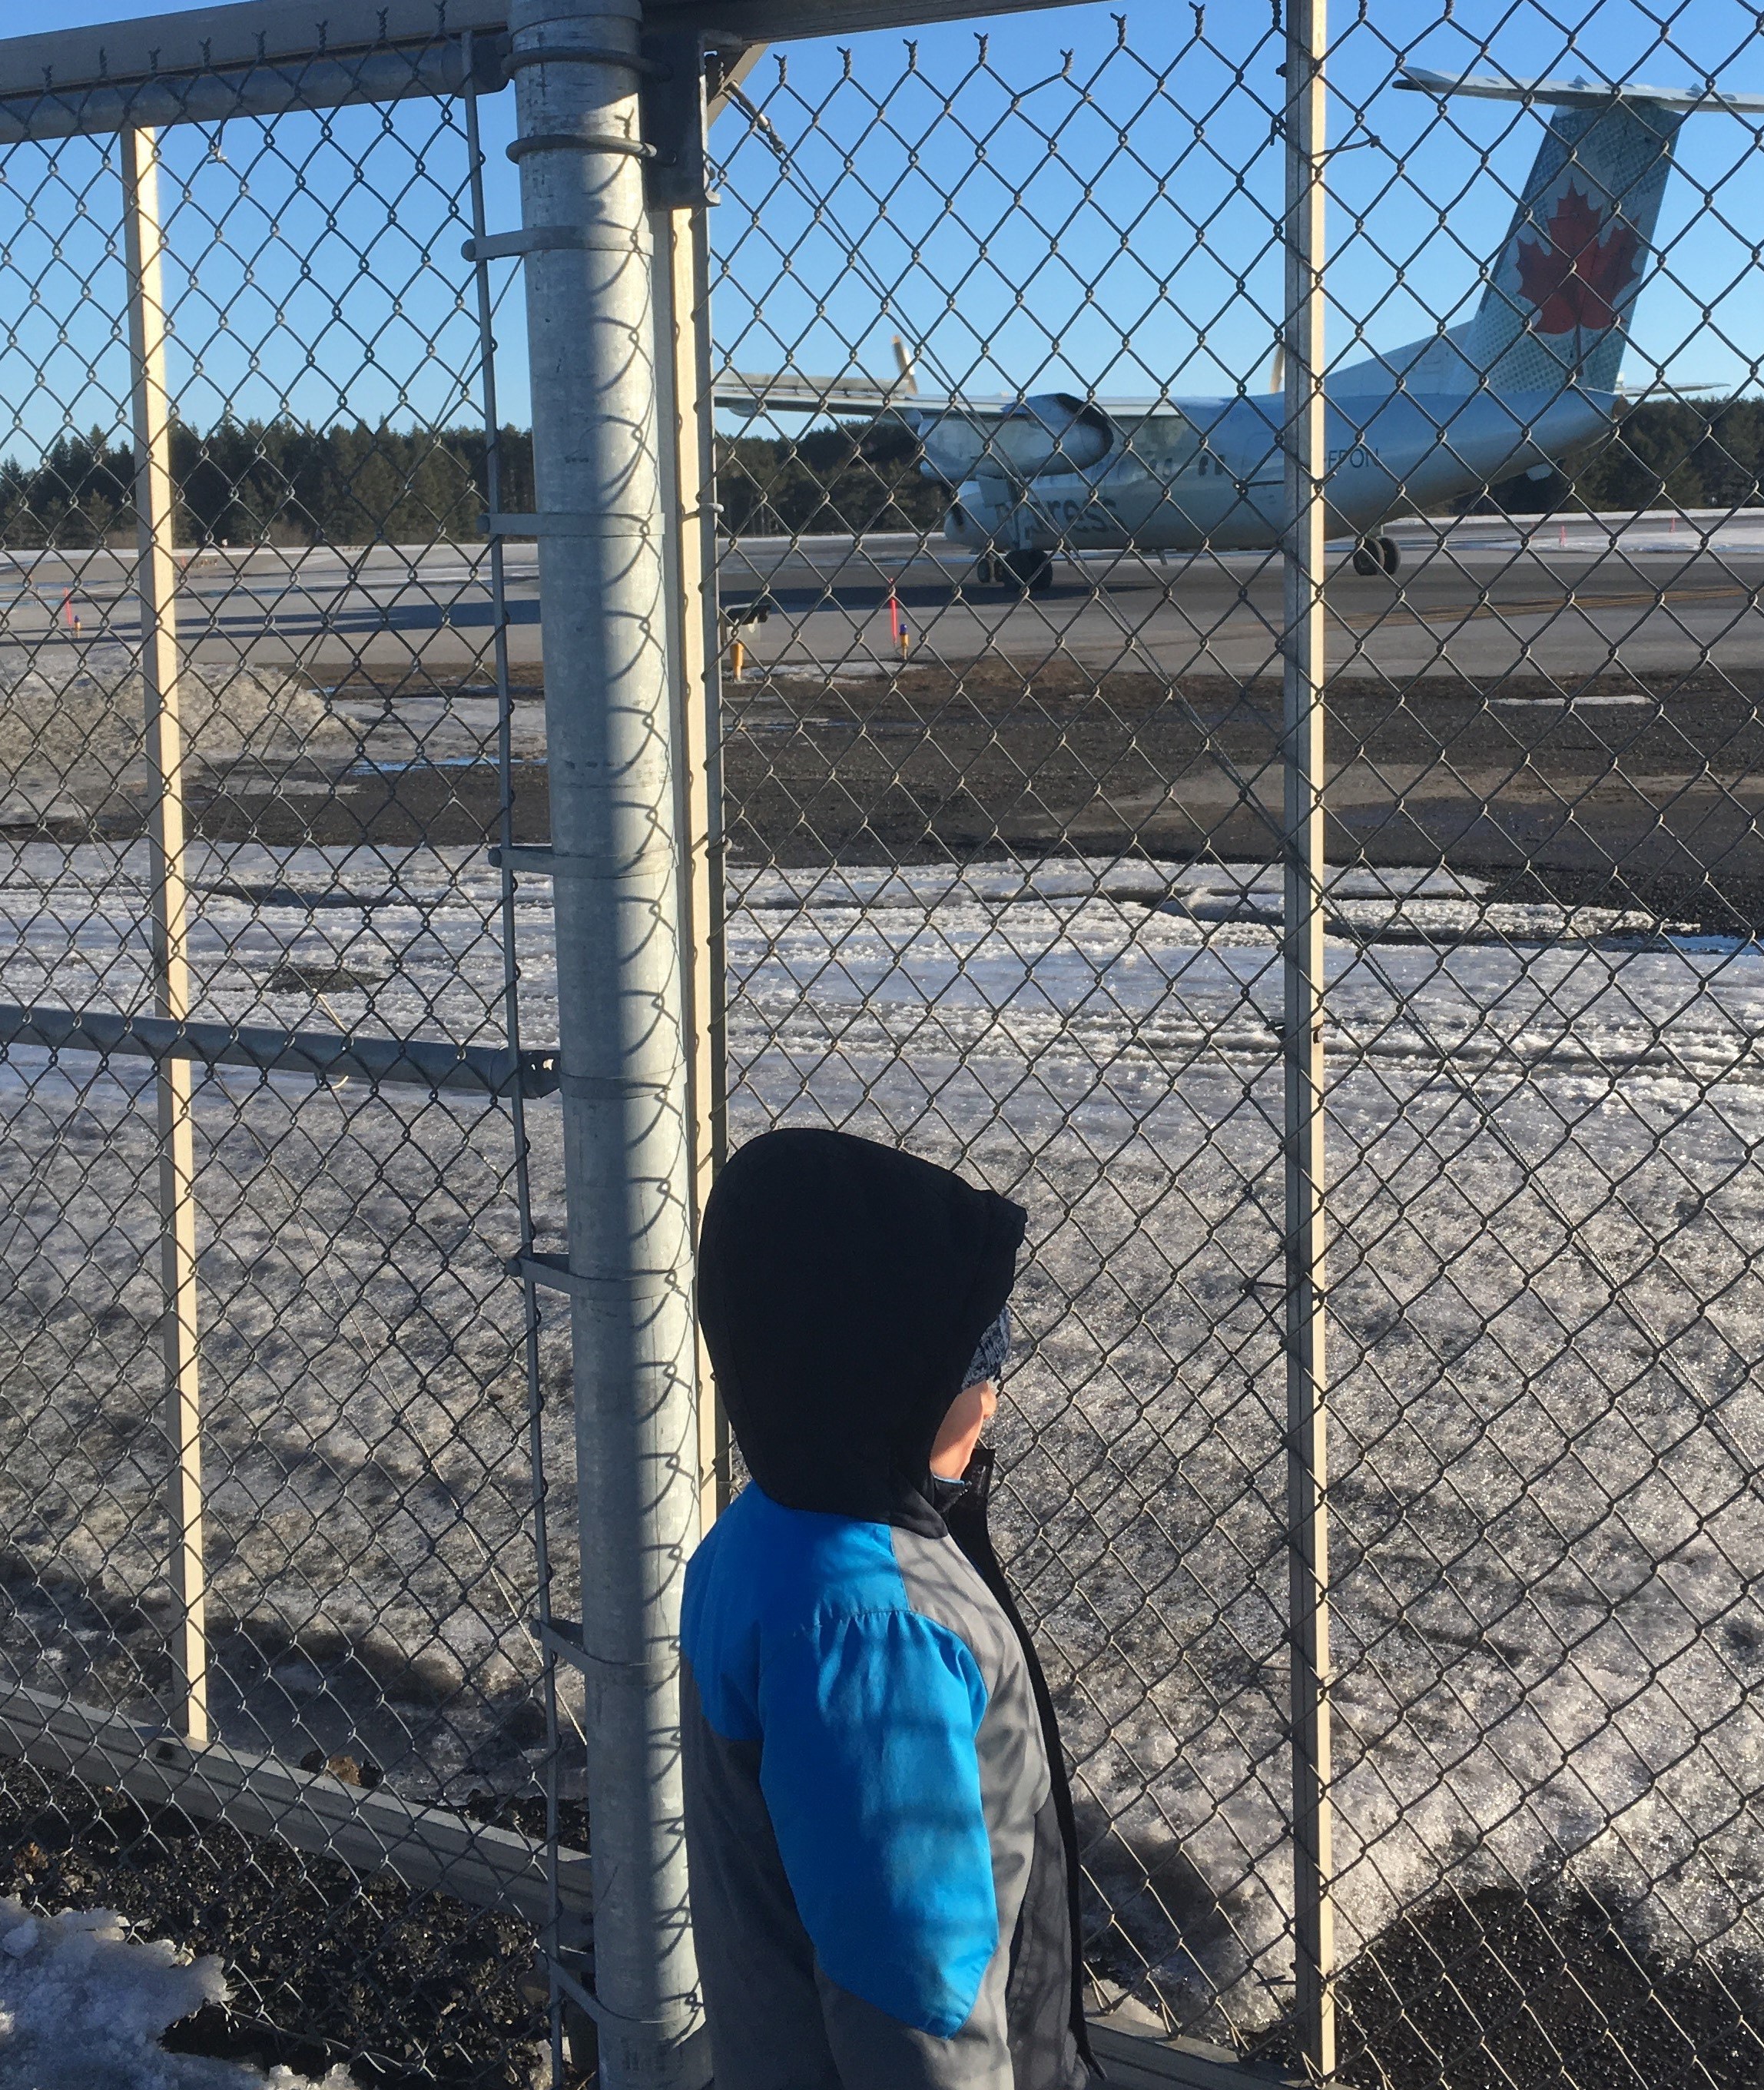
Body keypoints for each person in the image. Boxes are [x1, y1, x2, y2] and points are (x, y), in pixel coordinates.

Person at [681, 1127, 1096, 2090]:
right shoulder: (871, 1630)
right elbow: (915, 2003)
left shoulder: (763, 1534)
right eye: (967, 1369)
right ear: (874, 1376)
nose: (990, 1399)